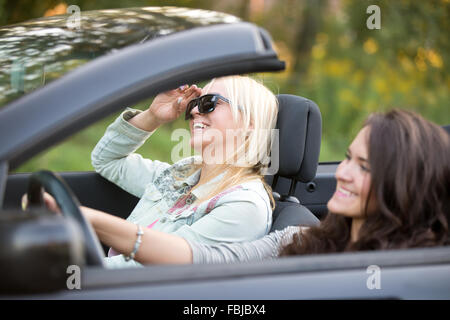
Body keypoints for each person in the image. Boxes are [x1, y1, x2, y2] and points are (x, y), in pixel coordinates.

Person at [68, 108, 449, 265]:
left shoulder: (418, 271)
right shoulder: (303, 238)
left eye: (363, 166)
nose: (344, 173)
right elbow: (206, 261)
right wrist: (86, 221)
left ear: (404, 185)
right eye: (347, 157)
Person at [23, 75, 280, 268]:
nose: (193, 111)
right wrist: (154, 116)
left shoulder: (243, 205)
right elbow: (107, 160)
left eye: (209, 103)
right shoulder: (184, 173)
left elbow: (155, 270)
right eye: (195, 102)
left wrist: (64, 269)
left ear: (249, 124)